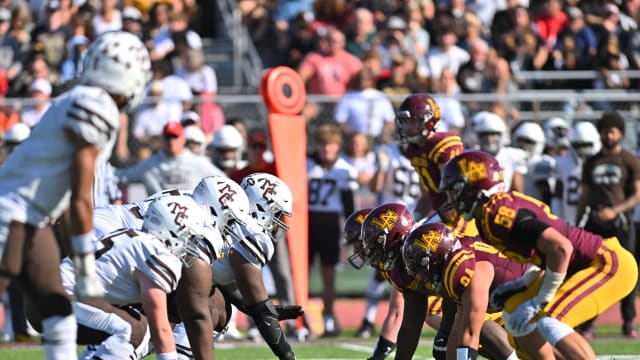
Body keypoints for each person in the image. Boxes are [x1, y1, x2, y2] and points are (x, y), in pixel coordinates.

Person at [0, 31, 150, 359]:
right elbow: (82, 198)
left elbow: (70, 199)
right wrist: (84, 270)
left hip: (32, 217)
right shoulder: (98, 107)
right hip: (11, 213)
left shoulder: (80, 98)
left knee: (59, 313)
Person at [439, 149, 638, 359]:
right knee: (516, 314)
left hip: (606, 263)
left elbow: (561, 248)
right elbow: (541, 255)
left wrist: (541, 299)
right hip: (575, 265)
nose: (451, 198)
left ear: (473, 189)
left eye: (455, 191)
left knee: (550, 320)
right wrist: (522, 285)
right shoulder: (485, 219)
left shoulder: (498, 214)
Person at [30, 195, 223, 360]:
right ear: (173, 231)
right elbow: (160, 327)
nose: (191, 245)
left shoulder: (136, 237)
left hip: (48, 298)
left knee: (132, 326)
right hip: (58, 299)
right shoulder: (158, 255)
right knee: (134, 330)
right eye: (189, 236)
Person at [190, 176, 298, 359]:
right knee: (213, 309)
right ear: (263, 207)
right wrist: (288, 356)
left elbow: (216, 274)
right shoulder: (250, 232)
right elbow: (257, 303)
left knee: (217, 305)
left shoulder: (216, 216)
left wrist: (254, 308)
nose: (278, 221)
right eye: (277, 213)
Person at [402, 222, 547, 360]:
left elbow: (471, 332)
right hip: (521, 298)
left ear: (436, 258)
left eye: (420, 268)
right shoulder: (454, 265)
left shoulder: (468, 269)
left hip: (539, 291)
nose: (419, 277)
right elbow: (459, 325)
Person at [575, 111, 640, 338]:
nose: (608, 136)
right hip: (595, 223)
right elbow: (584, 195)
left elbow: (637, 195)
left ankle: (628, 322)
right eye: (604, 131)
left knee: (629, 271)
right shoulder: (591, 162)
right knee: (590, 272)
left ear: (620, 133)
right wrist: (578, 223)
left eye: (612, 132)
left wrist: (616, 210)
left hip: (620, 224)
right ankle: (586, 324)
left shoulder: (629, 160)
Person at [307, 123, 358, 337]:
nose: (327, 149)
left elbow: (348, 207)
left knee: (328, 276)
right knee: (301, 276)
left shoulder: (345, 170)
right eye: (323, 145)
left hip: (329, 225)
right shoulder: (306, 163)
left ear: (337, 147)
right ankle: (300, 320)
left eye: (331, 145)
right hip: (307, 224)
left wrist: (352, 233)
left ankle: (328, 318)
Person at [116, 121, 225, 195]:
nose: (171, 142)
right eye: (168, 137)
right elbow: (122, 176)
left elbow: (223, 180)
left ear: (183, 139)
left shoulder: (198, 163)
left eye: (175, 137)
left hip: (191, 216)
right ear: (162, 139)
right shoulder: (150, 165)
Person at [551, 121, 601, 225]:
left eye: (586, 145)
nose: (582, 150)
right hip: (568, 220)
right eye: (578, 145)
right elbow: (558, 195)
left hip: (593, 222)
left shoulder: (600, 163)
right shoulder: (562, 162)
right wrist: (557, 219)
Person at [470, 111, 527, 192]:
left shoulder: (513, 156)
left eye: (493, 134)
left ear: (502, 135)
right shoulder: (471, 157)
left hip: (503, 201)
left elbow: (517, 191)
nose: (489, 139)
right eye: (484, 134)